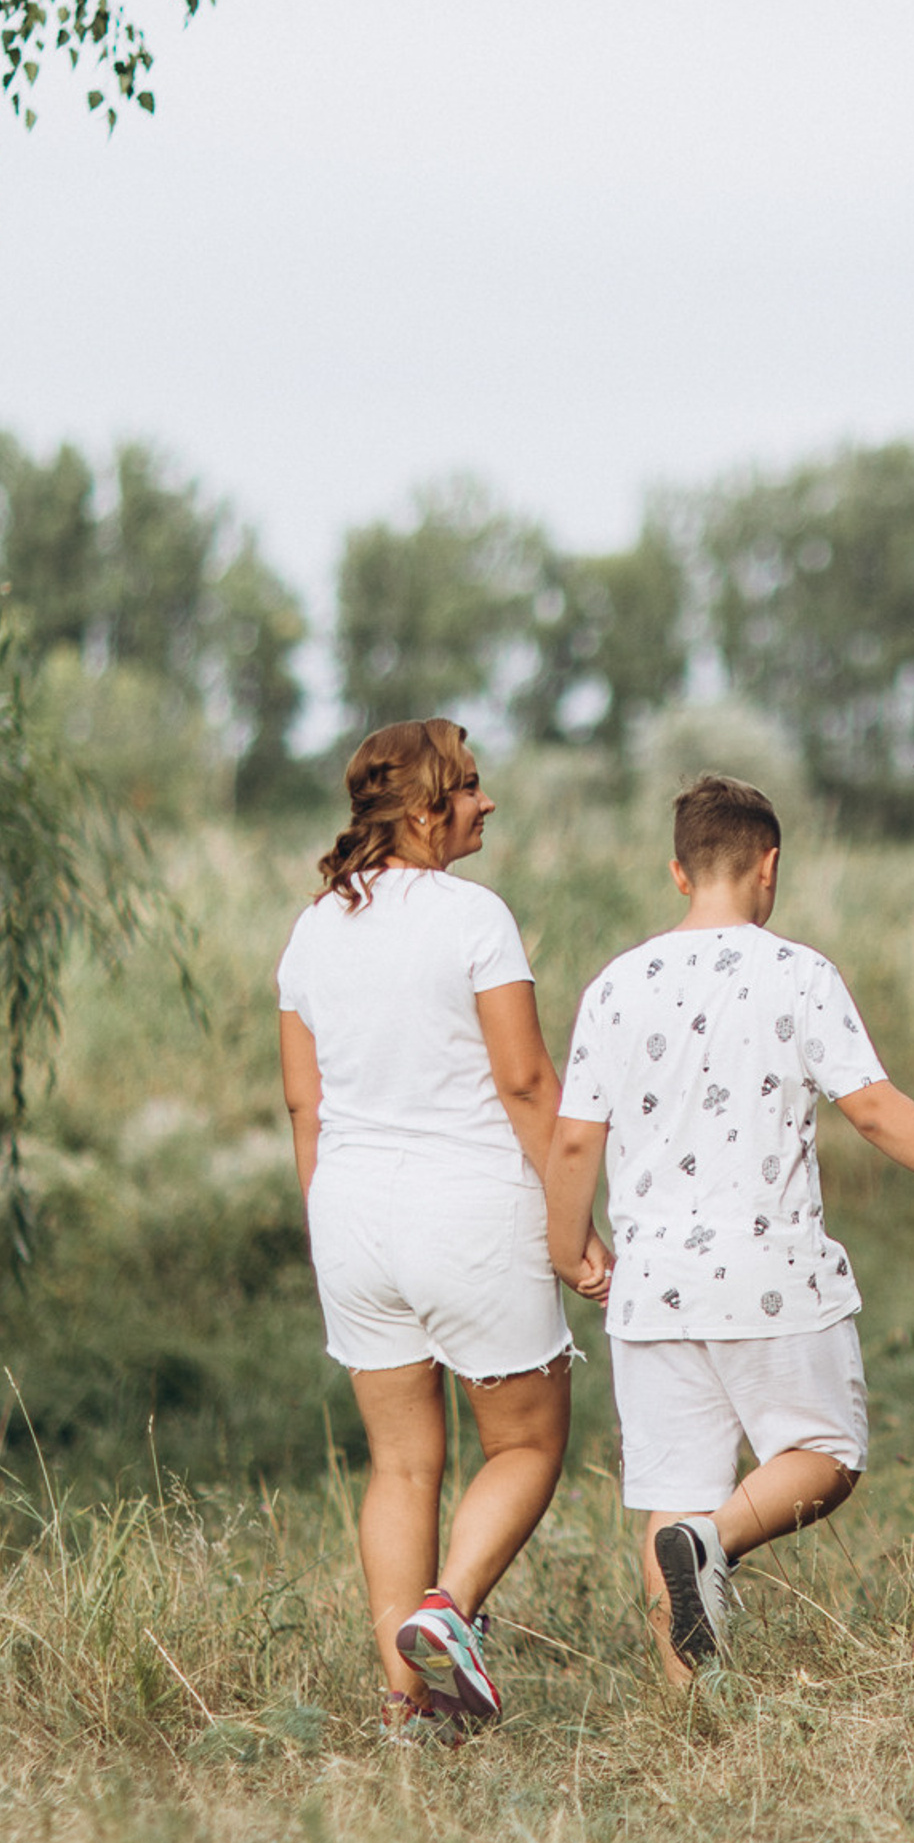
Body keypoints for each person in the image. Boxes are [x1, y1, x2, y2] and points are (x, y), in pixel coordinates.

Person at [544, 774, 914, 1682]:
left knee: (672, 1494)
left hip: (652, 1285)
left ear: (678, 872)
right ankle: (714, 1542)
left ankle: (692, 1707)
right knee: (824, 1455)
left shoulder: (615, 985)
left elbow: (577, 1137)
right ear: (769, 866)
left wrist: (567, 1245)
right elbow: (875, 1110)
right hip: (769, 1273)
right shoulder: (798, 973)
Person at [277, 720, 611, 1743]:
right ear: (423, 810)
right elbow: (527, 1084)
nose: (485, 802)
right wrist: (574, 1227)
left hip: (351, 1216)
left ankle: (405, 1703)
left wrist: (329, 1223)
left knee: (400, 1463)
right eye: (467, 787)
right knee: (525, 1442)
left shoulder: (312, 929)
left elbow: (304, 1105)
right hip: (468, 1212)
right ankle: (447, 1611)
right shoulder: (474, 917)